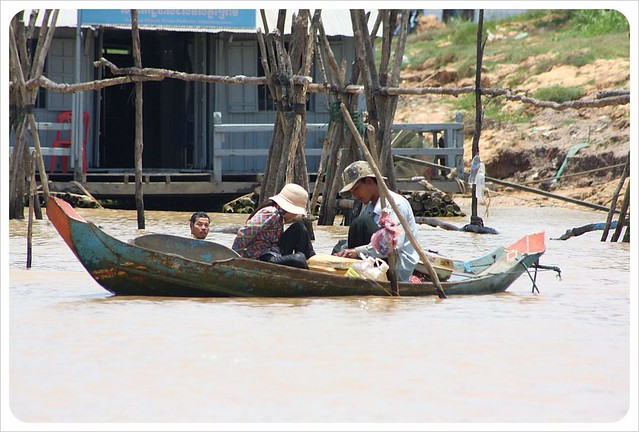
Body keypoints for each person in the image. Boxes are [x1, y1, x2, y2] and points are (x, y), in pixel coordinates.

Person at [333, 160, 419, 282]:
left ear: (369, 181)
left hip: (396, 268)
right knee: (340, 247)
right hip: (375, 258)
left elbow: (390, 245)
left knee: (361, 223)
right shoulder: (369, 206)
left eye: (356, 189)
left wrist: (357, 252)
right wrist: (344, 252)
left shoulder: (395, 204)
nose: (355, 195)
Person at [232, 183, 315, 269]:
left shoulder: (280, 216)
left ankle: (313, 263)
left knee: (299, 228)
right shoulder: (270, 213)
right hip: (262, 258)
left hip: (274, 252)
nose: (295, 215)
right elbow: (245, 232)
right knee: (299, 258)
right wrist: (235, 258)